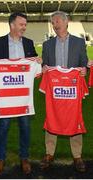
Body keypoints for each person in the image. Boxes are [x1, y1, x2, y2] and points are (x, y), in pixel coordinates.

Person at [0, 12, 41, 175]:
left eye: (25, 25)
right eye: (22, 24)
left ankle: (24, 158)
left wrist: (38, 61)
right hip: (5, 99)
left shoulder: (29, 43)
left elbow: (34, 62)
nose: (24, 27)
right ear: (12, 25)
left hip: (23, 98)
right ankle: (1, 159)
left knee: (25, 126)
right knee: (3, 127)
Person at [40, 11, 88, 172]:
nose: (55, 24)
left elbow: (84, 63)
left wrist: (83, 71)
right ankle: (49, 154)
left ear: (66, 22)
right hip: (55, 90)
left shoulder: (79, 42)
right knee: (52, 116)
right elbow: (44, 65)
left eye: (58, 21)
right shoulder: (47, 45)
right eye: (53, 22)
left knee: (75, 117)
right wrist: (43, 67)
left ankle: (77, 156)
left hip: (72, 89)